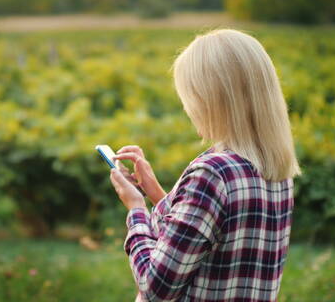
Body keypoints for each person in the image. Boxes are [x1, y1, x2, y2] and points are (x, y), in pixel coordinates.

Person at [109, 29, 301, 302]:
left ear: (212, 98)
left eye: (190, 95)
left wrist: (136, 209)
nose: (188, 107)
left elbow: (156, 287)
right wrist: (155, 193)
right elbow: (207, 237)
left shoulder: (214, 173)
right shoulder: (276, 168)